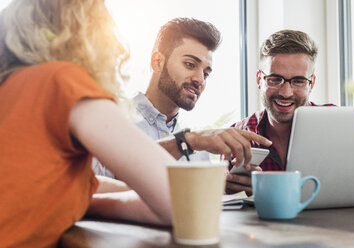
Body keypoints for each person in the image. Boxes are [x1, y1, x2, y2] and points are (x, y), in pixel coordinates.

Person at [0, 0, 269, 246]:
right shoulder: (63, 82)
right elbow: (187, 205)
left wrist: (86, 200)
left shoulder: (13, 91)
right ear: (81, 31)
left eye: (206, 72)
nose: (116, 46)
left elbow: (91, 186)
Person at [94, 18, 271, 178]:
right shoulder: (109, 121)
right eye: (190, 65)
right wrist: (186, 142)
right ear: (157, 62)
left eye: (206, 73)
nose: (200, 79)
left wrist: (220, 187)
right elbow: (94, 192)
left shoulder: (199, 152)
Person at [225, 30, 334, 195]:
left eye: (298, 81)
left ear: (311, 84)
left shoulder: (335, 124)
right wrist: (228, 188)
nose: (286, 93)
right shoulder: (238, 137)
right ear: (259, 80)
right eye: (275, 79)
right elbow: (224, 205)